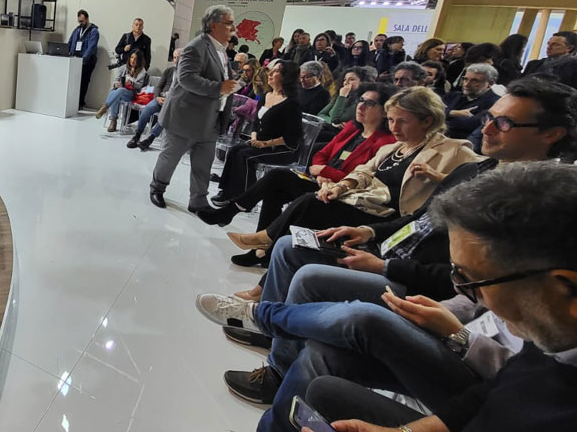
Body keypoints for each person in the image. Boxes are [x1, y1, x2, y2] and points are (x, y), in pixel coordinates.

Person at [213, 77, 575, 420]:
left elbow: (475, 288)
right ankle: (276, 342)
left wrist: (390, 271)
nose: (489, 128)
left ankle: (267, 318)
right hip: (406, 264)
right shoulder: (478, 170)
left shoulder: (539, 206)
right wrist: (366, 230)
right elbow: (418, 219)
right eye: (491, 117)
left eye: (506, 123)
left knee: (319, 282)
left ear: (551, 134)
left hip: (426, 287)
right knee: (295, 245)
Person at [306, 160, 577, 432]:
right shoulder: (548, 340)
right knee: (323, 384)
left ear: (564, 287)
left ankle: (269, 315)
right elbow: (489, 397)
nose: (462, 291)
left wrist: (458, 335)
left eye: (470, 280)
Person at [225, 86, 481, 263]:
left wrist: (439, 177)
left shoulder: (453, 149)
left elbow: (481, 175)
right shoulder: (393, 147)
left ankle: (264, 239)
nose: (394, 127)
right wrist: (339, 187)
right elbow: (363, 172)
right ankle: (267, 250)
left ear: (427, 120)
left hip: (392, 216)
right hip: (364, 203)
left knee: (308, 203)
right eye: (391, 120)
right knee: (305, 198)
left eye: (402, 121)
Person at [198, 83, 396, 239]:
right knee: (275, 182)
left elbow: (361, 178)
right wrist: (321, 170)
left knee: (274, 177)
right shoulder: (353, 129)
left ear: (385, 111)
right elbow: (321, 154)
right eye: (360, 100)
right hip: (320, 180)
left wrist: (324, 172)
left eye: (369, 103)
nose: (360, 106)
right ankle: (258, 244)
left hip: (340, 193)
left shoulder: (385, 142)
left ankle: (240, 220)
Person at [149, 6, 237, 210]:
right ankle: (157, 188)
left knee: (203, 164)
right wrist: (218, 88)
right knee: (170, 158)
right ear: (214, 25)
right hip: (184, 118)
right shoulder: (196, 46)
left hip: (210, 120)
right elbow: (186, 78)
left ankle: (198, 200)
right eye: (229, 23)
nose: (233, 27)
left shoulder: (221, 50)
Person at [206, 61, 302, 211]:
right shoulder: (266, 96)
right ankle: (226, 191)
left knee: (245, 156)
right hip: (261, 141)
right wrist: (255, 137)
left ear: (286, 77)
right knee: (235, 150)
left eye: (275, 72)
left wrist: (265, 144)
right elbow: (256, 123)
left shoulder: (291, 103)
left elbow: (292, 137)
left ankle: (245, 199)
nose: (269, 74)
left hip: (283, 148)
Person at [128, 48, 177, 150]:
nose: (176, 60)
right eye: (175, 57)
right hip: (161, 98)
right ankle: (137, 135)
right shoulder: (169, 71)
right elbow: (158, 86)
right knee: (147, 109)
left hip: (173, 103)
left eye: (179, 58)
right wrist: (157, 97)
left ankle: (150, 138)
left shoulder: (187, 75)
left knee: (165, 116)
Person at [95, 49, 147, 132]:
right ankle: (113, 121)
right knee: (116, 93)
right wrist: (116, 84)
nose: (133, 60)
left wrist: (132, 83)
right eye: (132, 57)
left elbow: (140, 86)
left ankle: (106, 109)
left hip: (132, 94)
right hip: (120, 91)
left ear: (139, 60)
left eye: (135, 59)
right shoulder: (123, 68)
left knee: (119, 91)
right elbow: (116, 80)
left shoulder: (142, 71)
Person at [443, 63, 498, 139]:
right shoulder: (452, 96)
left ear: (490, 83)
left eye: (474, 81)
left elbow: (469, 124)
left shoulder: (495, 103)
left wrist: (442, 116)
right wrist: (452, 113)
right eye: (465, 79)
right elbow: (429, 112)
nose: (466, 84)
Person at [67, 9, 100, 108]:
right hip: (75, 60)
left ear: (87, 19)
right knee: (74, 82)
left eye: (82, 21)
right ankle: (72, 102)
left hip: (87, 62)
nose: (81, 23)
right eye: (79, 21)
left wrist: (83, 60)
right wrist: (68, 53)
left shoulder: (94, 31)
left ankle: (80, 103)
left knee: (83, 82)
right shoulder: (77, 30)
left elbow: (91, 47)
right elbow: (70, 42)